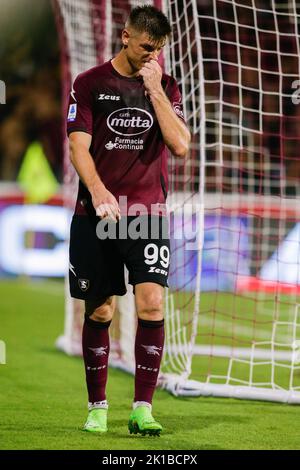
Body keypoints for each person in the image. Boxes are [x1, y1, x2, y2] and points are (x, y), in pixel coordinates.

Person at [67, 5, 190, 436]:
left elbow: (180, 146)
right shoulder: (89, 84)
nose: (151, 56)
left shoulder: (166, 85)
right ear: (125, 37)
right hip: (96, 214)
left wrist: (156, 92)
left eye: (158, 49)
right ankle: (97, 407)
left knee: (152, 302)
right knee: (100, 311)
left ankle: (142, 409)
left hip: (147, 213)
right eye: (144, 47)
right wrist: (99, 191)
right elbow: (78, 147)